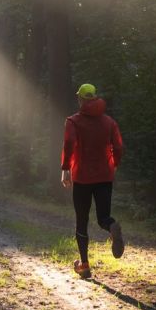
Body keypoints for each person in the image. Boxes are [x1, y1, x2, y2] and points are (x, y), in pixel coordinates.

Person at [61, 83, 125, 278]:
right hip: (105, 176)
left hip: (82, 178)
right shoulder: (109, 122)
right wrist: (114, 164)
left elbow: (69, 143)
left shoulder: (73, 121)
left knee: (82, 221)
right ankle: (111, 226)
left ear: (80, 99)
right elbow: (119, 146)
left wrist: (65, 169)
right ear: (95, 98)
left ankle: (85, 265)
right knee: (103, 217)